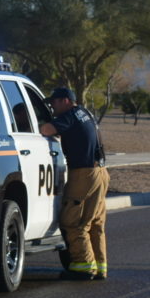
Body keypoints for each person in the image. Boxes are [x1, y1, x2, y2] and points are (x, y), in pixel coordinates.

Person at [39, 87, 109, 281]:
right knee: (94, 223)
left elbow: (46, 130)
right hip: (100, 172)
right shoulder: (85, 113)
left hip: (84, 174)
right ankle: (100, 267)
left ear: (66, 101)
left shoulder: (69, 115)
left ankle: (83, 267)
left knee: (73, 222)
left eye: (54, 102)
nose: (52, 107)